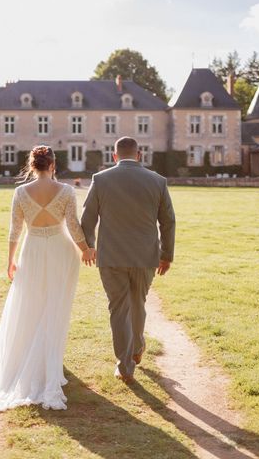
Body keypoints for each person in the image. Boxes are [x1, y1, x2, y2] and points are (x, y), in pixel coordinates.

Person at [0, 146, 93, 412]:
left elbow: (15, 230)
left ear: (32, 166)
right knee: (55, 304)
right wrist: (85, 249)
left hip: (31, 250)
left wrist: (10, 260)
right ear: (53, 165)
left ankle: (41, 362)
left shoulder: (21, 192)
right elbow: (74, 225)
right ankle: (48, 362)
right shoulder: (65, 191)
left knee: (30, 303)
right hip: (59, 248)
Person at [81, 136, 176, 384]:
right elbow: (168, 221)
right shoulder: (157, 181)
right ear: (139, 155)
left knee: (118, 308)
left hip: (111, 255)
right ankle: (137, 347)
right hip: (146, 255)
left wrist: (89, 246)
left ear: (114, 156)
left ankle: (125, 365)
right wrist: (166, 255)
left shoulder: (100, 180)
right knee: (138, 302)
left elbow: (87, 218)